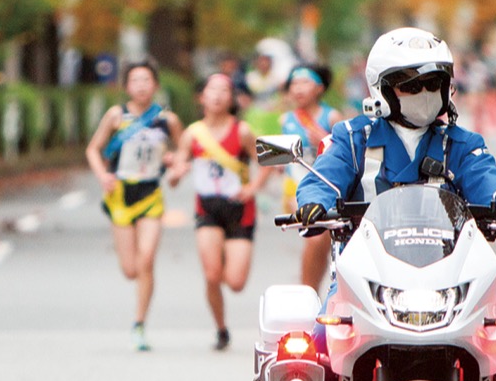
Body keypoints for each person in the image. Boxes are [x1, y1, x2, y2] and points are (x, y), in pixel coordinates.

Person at [294, 27, 496, 381]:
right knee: (317, 340)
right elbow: (323, 177)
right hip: (362, 273)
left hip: (449, 272)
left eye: (432, 83)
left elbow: (488, 181)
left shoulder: (463, 143)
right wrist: (313, 203)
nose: (423, 92)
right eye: (410, 85)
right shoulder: (352, 137)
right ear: (382, 89)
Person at [85, 61, 184, 351]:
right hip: (120, 197)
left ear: (155, 85)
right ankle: (139, 317)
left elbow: (182, 151)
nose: (141, 85)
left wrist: (175, 166)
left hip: (151, 196)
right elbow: (93, 148)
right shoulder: (116, 116)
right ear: (127, 86)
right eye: (135, 80)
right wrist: (102, 175)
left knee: (147, 260)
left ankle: (139, 324)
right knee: (130, 269)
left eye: (146, 80)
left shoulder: (167, 120)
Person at [171, 73, 272, 351]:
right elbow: (176, 172)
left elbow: (266, 162)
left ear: (232, 98)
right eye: (211, 89)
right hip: (208, 211)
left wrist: (252, 188)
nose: (217, 95)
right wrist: (176, 174)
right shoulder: (192, 134)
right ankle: (221, 328)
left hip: (240, 210)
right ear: (201, 96)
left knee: (236, 283)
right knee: (212, 275)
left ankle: (228, 251)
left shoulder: (241, 131)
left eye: (224, 90)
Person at [278, 64, 344, 291]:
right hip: (295, 187)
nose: (297, 89)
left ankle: (314, 288)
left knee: (323, 243)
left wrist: (324, 141)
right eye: (294, 84)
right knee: (315, 233)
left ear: (319, 88)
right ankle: (308, 290)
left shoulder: (332, 117)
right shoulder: (286, 119)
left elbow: (346, 152)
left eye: (304, 83)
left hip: (326, 185)